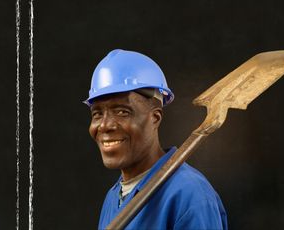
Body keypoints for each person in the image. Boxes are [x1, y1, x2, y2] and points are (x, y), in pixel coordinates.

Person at [85, 49, 228, 230]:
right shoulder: (114, 197)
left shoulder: (190, 194)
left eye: (122, 112)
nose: (104, 125)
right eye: (97, 114)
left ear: (155, 118)